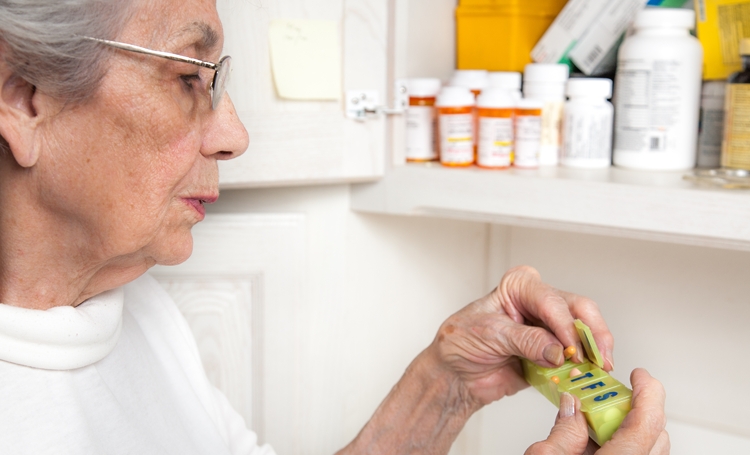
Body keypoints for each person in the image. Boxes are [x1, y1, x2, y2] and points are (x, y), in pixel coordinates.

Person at [0, 0, 669, 453]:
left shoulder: (136, 309)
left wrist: (446, 383)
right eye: (187, 77)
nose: (234, 135)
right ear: (23, 99)